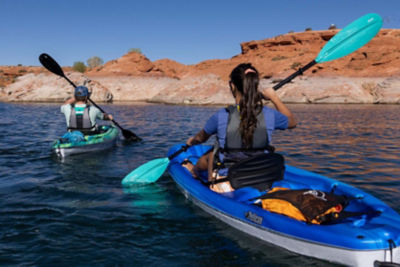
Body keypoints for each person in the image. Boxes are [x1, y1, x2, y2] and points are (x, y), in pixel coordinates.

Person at [183, 63, 297, 193]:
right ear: (255, 86)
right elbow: (292, 122)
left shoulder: (221, 115)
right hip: (262, 173)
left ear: (232, 85)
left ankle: (195, 172)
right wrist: (274, 98)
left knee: (211, 154)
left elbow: (201, 138)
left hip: (230, 178)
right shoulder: (269, 114)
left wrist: (192, 141)